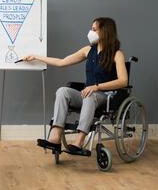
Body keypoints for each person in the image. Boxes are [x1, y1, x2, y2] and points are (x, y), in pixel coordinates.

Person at [23, 17, 128, 155]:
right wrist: (37, 57)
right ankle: (55, 137)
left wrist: (97, 86)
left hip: (106, 97)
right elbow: (62, 62)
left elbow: (123, 81)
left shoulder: (117, 54)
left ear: (105, 31)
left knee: (90, 95)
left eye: (94, 29)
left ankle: (79, 141)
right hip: (87, 95)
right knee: (63, 91)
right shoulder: (88, 50)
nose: (91, 32)